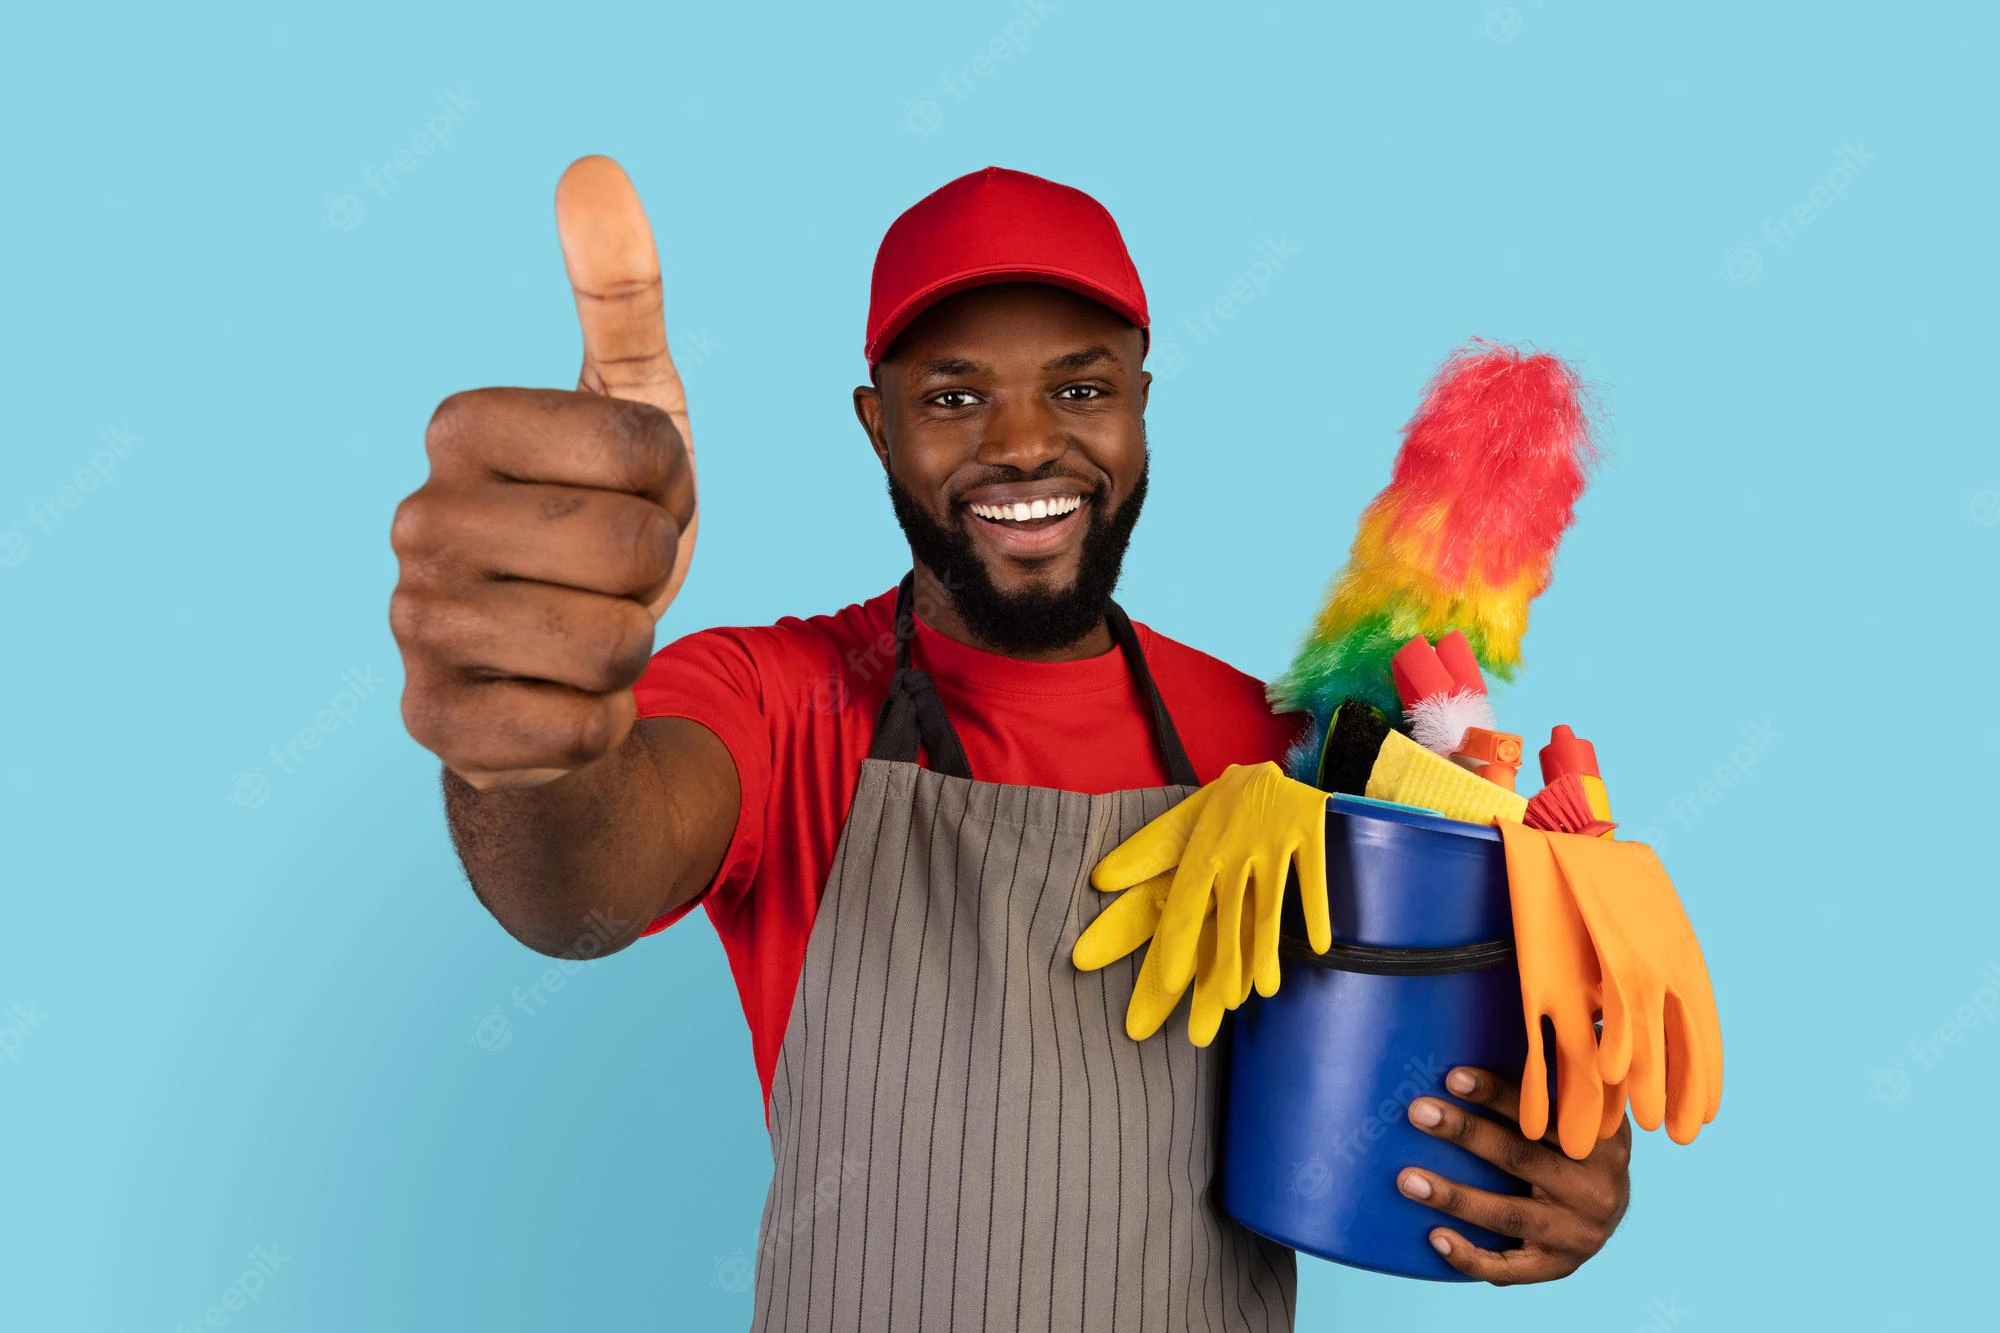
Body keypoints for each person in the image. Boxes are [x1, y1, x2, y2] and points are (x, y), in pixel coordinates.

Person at [389, 157, 1632, 1331]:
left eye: (1080, 389)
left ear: (1142, 410)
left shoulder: (1280, 757)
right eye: (953, 396)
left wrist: (1551, 1164)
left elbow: (1408, 1076)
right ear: (877, 428)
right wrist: (529, 740)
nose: (1025, 441)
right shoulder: (771, 695)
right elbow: (577, 896)